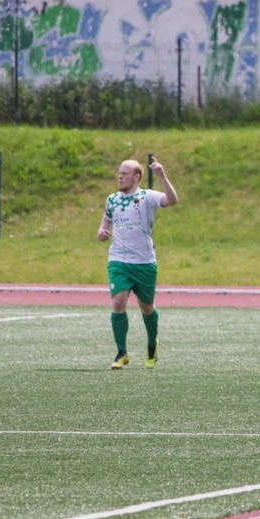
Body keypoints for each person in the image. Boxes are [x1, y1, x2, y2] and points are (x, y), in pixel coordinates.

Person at [97, 156, 178, 370]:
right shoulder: (112, 199)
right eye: (119, 173)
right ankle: (121, 352)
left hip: (144, 262)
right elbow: (105, 222)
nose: (120, 177)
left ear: (136, 177)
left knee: (147, 307)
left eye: (124, 173)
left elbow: (172, 200)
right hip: (118, 260)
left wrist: (163, 176)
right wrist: (102, 232)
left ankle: (152, 345)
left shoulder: (147, 197)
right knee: (118, 303)